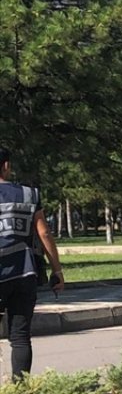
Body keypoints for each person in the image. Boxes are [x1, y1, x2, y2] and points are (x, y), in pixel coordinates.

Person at [0, 146, 64, 380]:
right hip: (24, 273)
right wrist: (57, 270)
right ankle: (21, 393)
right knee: (20, 337)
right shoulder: (29, 194)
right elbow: (44, 233)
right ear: (6, 165)